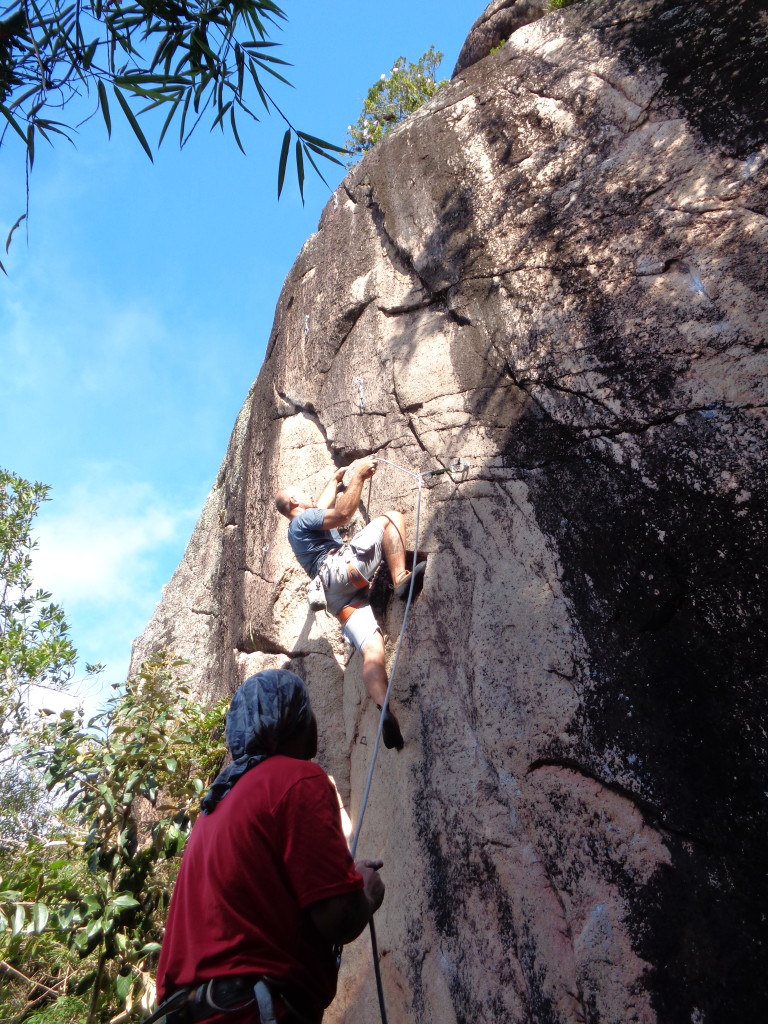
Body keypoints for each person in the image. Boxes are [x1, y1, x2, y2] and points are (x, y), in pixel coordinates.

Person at [154, 670, 385, 1024]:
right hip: (249, 1011)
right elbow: (337, 918)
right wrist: (365, 893)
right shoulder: (297, 780)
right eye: (307, 710)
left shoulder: (213, 811)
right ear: (295, 720)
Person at [274, 458, 425, 751]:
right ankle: (400, 578)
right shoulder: (303, 520)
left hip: (338, 599)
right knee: (391, 518)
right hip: (341, 568)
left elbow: (321, 503)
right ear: (294, 502)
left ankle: (384, 707)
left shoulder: (298, 529)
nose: (309, 495)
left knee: (371, 649)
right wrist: (358, 478)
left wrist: (335, 480)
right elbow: (343, 514)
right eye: (303, 494)